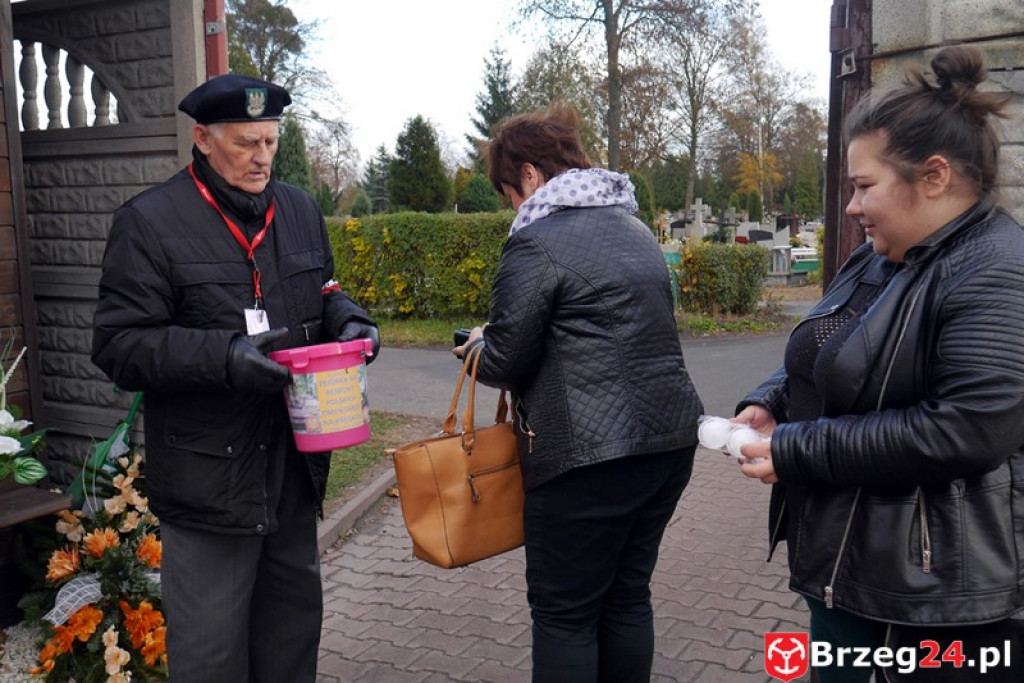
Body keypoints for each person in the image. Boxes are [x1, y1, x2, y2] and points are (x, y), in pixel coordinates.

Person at [734, 45, 1024, 682]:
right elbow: (827, 349)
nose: (851, 206)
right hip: (845, 562)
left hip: (928, 592)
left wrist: (798, 449)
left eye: (865, 186)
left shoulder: (996, 269)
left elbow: (968, 429)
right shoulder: (879, 254)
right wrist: (772, 400)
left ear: (935, 176)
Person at [91, 74, 379, 683]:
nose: (263, 158)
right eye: (247, 143)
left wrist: (351, 320)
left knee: (291, 642)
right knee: (213, 657)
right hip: (208, 477)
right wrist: (226, 358)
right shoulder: (149, 222)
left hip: (294, 465)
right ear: (203, 138)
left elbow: (323, 290)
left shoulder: (298, 208)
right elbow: (119, 345)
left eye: (271, 142)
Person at [456, 104, 704, 682]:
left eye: (506, 193)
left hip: (586, 460)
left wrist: (475, 349)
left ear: (528, 175)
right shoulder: (635, 228)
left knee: (565, 614)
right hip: (668, 444)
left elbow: (507, 359)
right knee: (625, 595)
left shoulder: (535, 241)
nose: (511, 208)